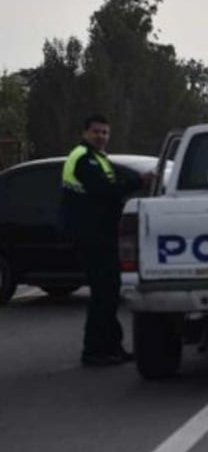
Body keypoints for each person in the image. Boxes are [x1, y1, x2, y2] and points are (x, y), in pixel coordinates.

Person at [60, 114, 152, 367]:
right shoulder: (83, 158)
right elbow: (105, 191)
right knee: (103, 294)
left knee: (109, 293)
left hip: (101, 234)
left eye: (105, 133)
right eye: (96, 132)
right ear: (85, 133)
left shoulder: (99, 159)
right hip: (91, 236)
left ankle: (112, 347)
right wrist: (138, 182)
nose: (101, 136)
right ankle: (94, 350)